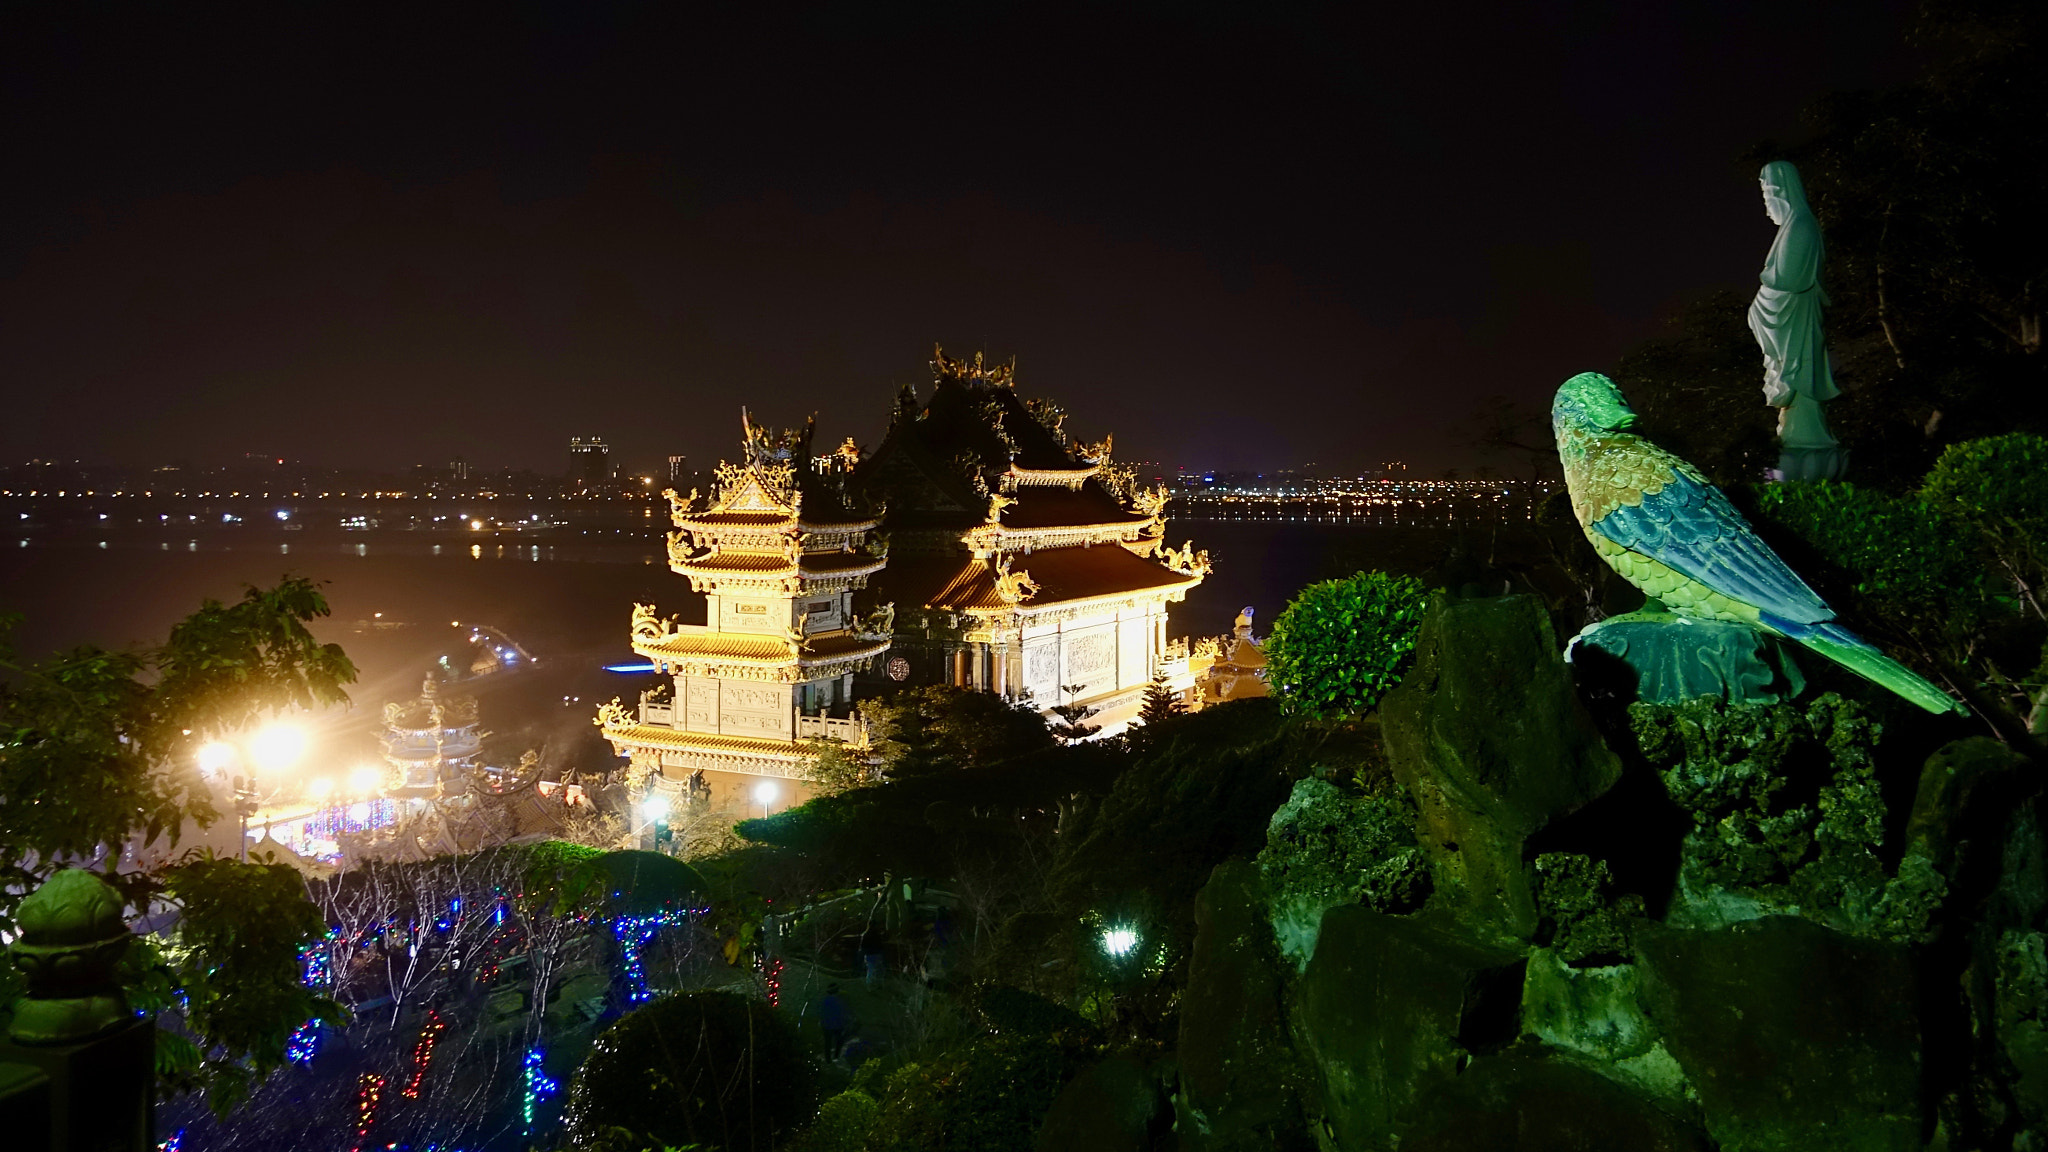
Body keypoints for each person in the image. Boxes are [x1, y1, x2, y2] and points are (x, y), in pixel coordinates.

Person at [818, 983, 849, 1060]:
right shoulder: (840, 1000)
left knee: (827, 1042)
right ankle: (836, 1057)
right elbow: (843, 1012)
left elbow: (821, 1012)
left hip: (827, 1025)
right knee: (838, 1041)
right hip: (837, 1025)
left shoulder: (825, 1000)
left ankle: (828, 1059)